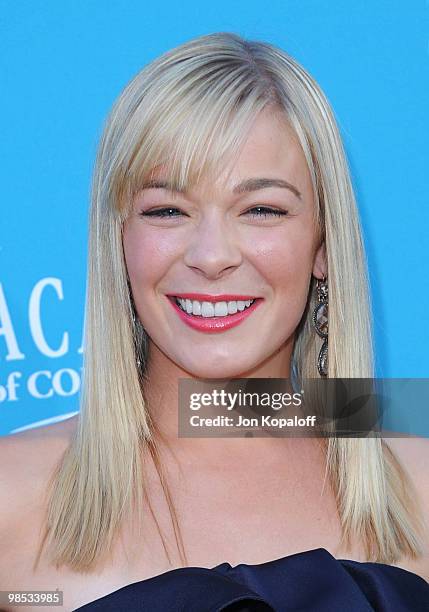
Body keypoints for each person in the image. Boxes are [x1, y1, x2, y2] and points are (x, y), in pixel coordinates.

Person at [0, 32, 428, 611]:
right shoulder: (11, 494)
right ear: (120, 240)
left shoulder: (418, 481)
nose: (211, 254)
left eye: (262, 210)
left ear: (323, 242)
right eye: (167, 210)